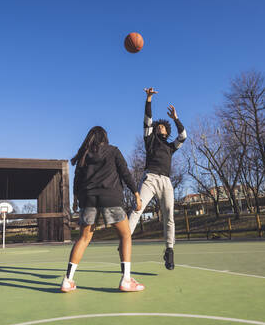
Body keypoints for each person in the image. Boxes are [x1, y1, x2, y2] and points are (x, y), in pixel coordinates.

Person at [61, 126, 144, 292]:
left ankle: (67, 280)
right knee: (125, 234)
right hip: (110, 197)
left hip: (88, 199)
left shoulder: (84, 154)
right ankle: (126, 280)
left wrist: (76, 200)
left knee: (83, 238)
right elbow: (125, 173)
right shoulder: (113, 151)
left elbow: (77, 180)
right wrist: (136, 193)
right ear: (105, 137)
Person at [128, 87, 187, 270]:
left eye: (163, 126)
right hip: (150, 178)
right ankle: (125, 238)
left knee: (169, 215)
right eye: (158, 126)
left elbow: (183, 136)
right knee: (137, 209)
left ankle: (169, 250)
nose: (160, 127)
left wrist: (175, 119)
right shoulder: (150, 140)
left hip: (166, 182)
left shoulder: (170, 146)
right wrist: (148, 100)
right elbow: (147, 121)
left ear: (166, 131)